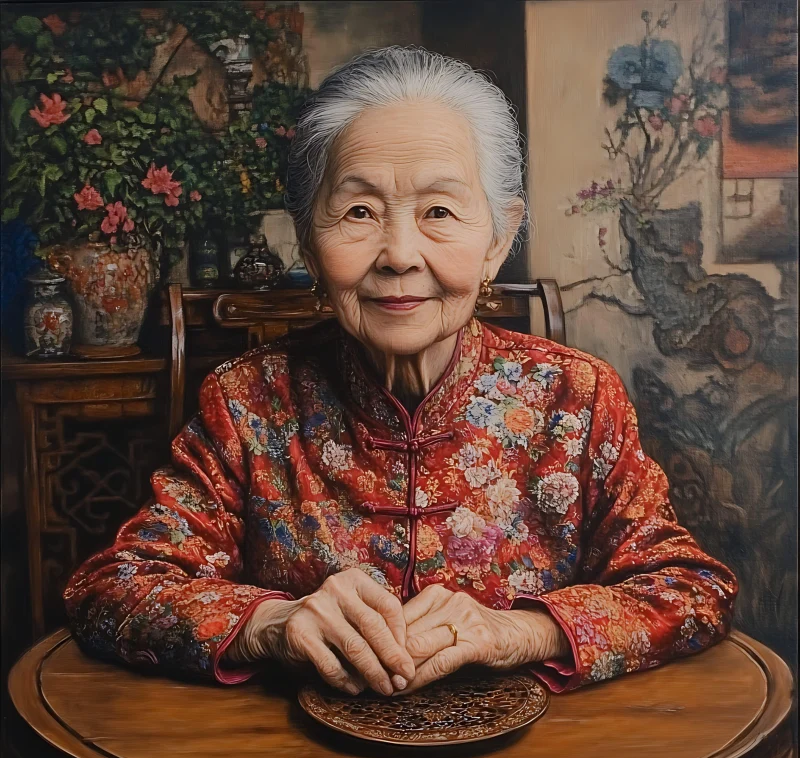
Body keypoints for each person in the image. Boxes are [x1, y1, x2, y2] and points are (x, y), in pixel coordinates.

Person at [64, 46, 737, 697]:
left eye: (439, 211)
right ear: (307, 239)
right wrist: (272, 624)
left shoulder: (576, 400)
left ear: (498, 239)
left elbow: (691, 589)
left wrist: (520, 632)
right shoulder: (250, 403)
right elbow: (110, 588)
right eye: (358, 211)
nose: (399, 254)